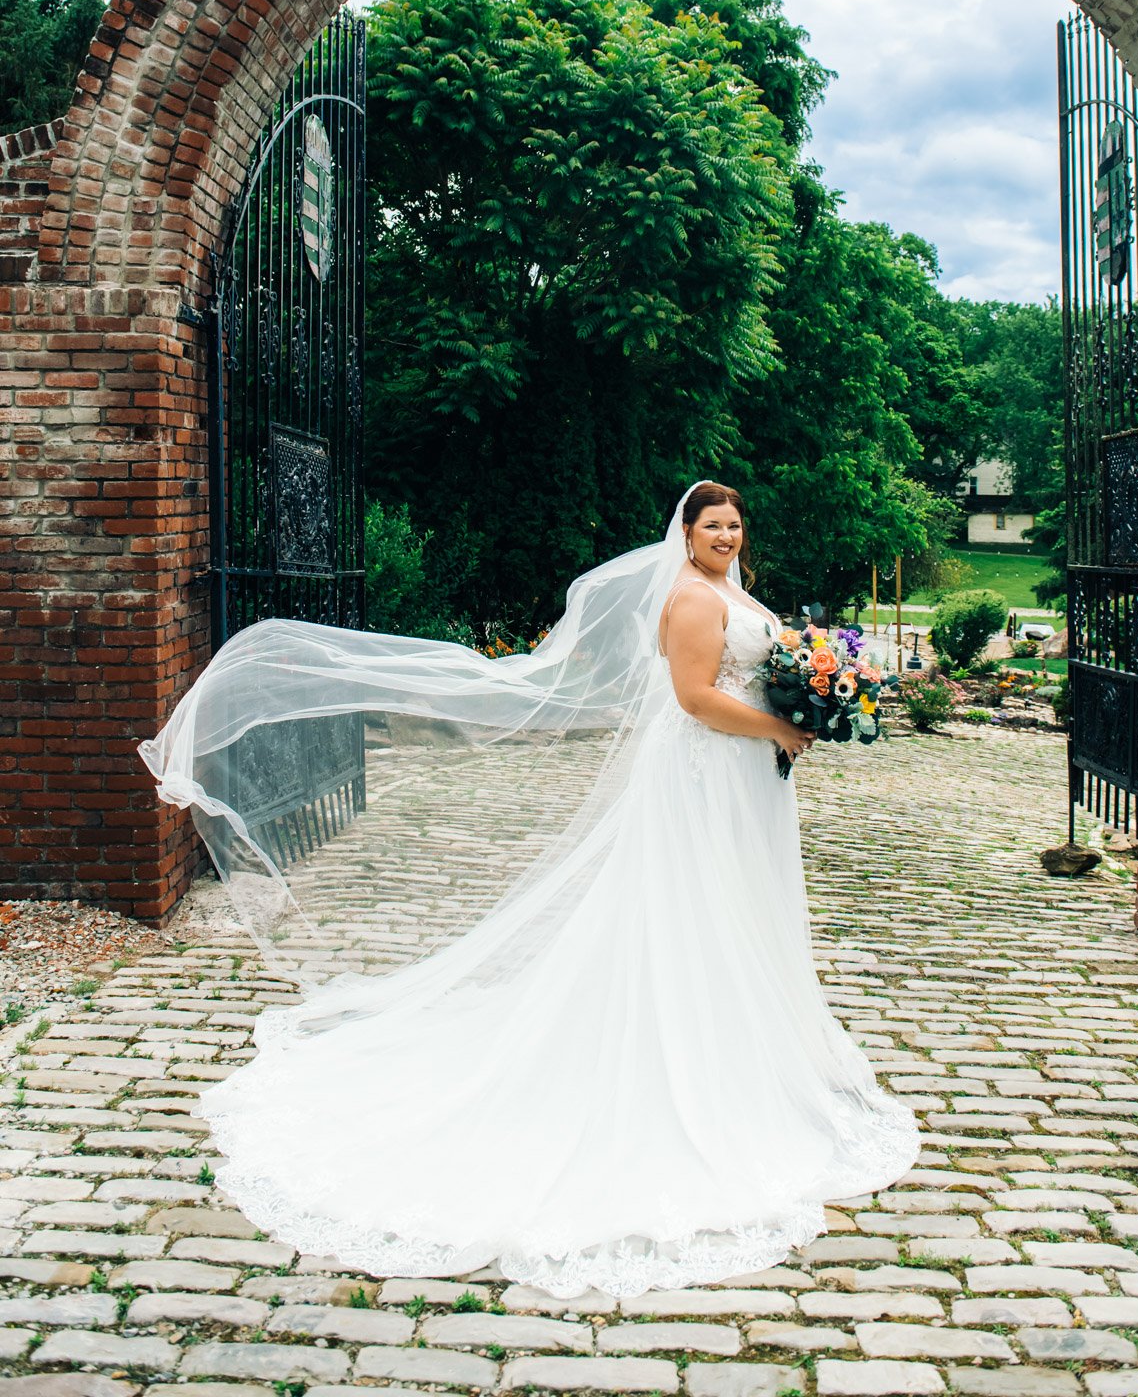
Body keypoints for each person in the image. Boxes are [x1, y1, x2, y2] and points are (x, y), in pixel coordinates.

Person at [141, 480, 919, 1296]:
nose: (725, 535)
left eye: (733, 525)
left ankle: (749, 1048)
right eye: (711, 526)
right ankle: (687, 1057)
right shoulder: (690, 598)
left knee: (739, 912)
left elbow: (760, 664)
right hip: (707, 775)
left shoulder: (730, 587)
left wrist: (814, 690)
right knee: (694, 910)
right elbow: (694, 700)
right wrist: (783, 725)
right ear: (684, 534)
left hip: (748, 777)